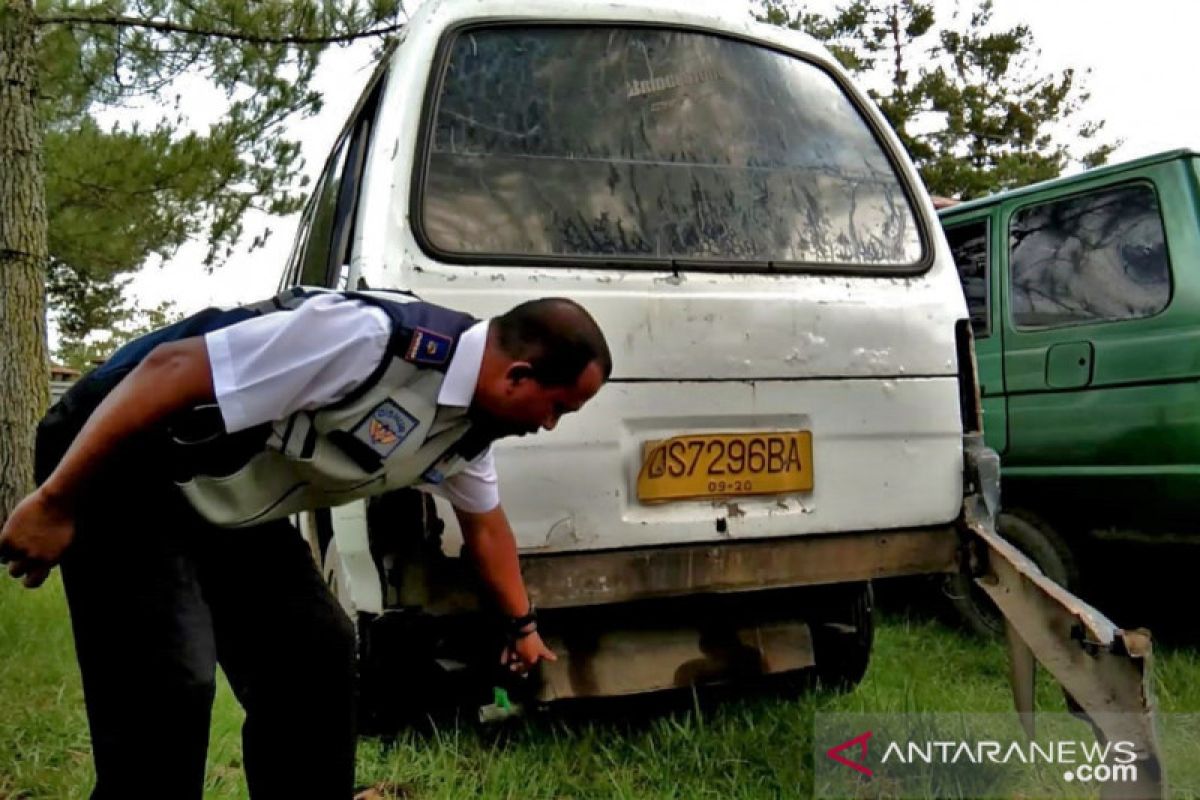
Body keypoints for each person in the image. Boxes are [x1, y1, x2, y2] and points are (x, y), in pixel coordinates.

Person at [0, 287, 612, 799]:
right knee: (171, 680)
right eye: (557, 407)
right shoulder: (366, 339)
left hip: (225, 495)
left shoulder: (465, 431)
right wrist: (55, 502)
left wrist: (523, 628)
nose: (549, 425)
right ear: (518, 375)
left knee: (315, 655)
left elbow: (487, 528)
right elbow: (171, 369)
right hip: (125, 456)